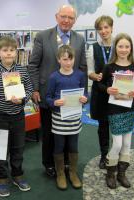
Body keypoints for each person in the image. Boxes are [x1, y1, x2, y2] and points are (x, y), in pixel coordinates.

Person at [28, 4, 87, 177]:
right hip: (48, 95)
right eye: (63, 16)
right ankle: (49, 165)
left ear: (74, 21)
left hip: (72, 99)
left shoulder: (79, 39)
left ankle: (67, 164)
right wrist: (35, 89)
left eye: (70, 18)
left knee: (69, 133)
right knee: (49, 133)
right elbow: (33, 65)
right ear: (56, 17)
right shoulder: (42, 36)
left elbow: (82, 66)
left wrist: (83, 94)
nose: (66, 20)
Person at [0, 36, 33, 197]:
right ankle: (1, 179)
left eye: (12, 50)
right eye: (5, 50)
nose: (9, 53)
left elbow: (30, 88)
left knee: (18, 148)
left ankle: (17, 175)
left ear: (16, 52)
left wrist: (23, 100)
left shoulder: (22, 70)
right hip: (0, 117)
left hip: (18, 117)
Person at [98, 33, 134, 189]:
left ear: (131, 48)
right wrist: (107, 89)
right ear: (116, 47)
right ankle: (110, 173)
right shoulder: (109, 67)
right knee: (117, 144)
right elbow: (99, 86)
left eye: (127, 46)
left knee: (127, 143)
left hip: (130, 108)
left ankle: (121, 174)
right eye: (120, 46)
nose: (123, 49)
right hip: (114, 109)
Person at [46, 45, 87, 190]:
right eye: (64, 59)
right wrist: (54, 102)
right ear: (58, 60)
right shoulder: (54, 77)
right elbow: (48, 98)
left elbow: (85, 94)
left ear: (74, 59)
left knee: (73, 146)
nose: (68, 62)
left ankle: (73, 173)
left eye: (71, 59)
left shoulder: (80, 75)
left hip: (74, 117)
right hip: (59, 118)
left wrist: (84, 99)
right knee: (59, 146)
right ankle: (60, 174)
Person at [88, 15, 114, 169]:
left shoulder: (119, 45)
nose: (103, 31)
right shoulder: (93, 47)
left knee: (117, 125)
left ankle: (115, 153)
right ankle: (104, 155)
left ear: (111, 27)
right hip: (100, 92)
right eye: (100, 28)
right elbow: (90, 71)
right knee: (103, 126)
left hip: (117, 92)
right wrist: (94, 76)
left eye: (106, 27)